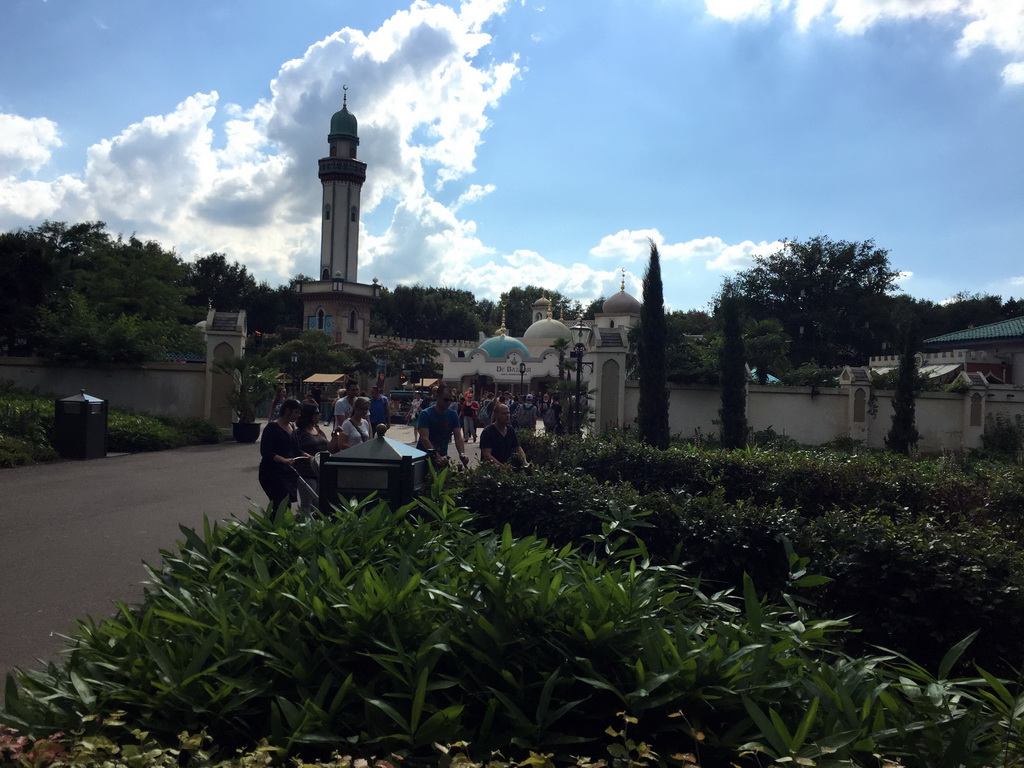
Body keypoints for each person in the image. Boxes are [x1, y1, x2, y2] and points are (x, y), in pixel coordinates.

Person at [294, 401, 346, 516]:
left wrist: (335, 437)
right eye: (317, 413)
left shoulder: (317, 430)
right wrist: (307, 456)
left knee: (319, 503)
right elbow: (295, 450)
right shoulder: (299, 433)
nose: (320, 415)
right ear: (309, 415)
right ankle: (305, 526)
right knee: (308, 503)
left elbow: (329, 448)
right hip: (306, 472)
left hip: (320, 471)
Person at [258, 398, 309, 512]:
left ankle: (274, 526)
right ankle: (273, 527)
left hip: (288, 473)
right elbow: (265, 451)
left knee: (284, 505)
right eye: (296, 412)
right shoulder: (272, 428)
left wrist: (305, 455)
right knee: (281, 505)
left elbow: (296, 449)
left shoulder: (292, 427)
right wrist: (283, 460)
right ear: (287, 411)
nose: (298, 415)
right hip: (272, 473)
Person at [416, 384, 469, 469]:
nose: (448, 403)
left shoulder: (452, 414)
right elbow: (424, 438)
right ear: (437, 396)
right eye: (445, 400)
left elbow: (458, 437)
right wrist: (437, 456)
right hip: (424, 457)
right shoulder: (426, 414)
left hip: (443, 458)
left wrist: (462, 454)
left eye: (451, 400)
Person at [480, 402, 529, 467]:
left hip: (507, 470)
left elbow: (517, 448)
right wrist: (502, 467)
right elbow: (487, 455)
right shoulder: (488, 432)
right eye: (504, 413)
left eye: (508, 413)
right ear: (496, 415)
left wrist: (525, 463)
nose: (507, 415)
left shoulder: (510, 430)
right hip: (491, 471)